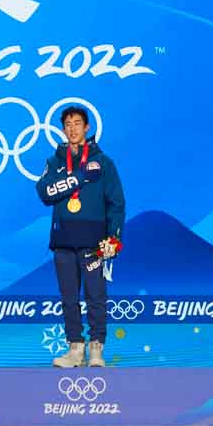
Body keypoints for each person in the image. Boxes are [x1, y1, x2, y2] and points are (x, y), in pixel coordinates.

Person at [35, 105, 125, 369]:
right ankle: (75, 347)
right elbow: (45, 193)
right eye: (68, 124)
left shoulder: (104, 162)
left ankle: (97, 348)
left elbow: (116, 204)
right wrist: (80, 177)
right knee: (68, 297)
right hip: (63, 240)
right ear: (63, 129)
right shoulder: (54, 162)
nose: (72, 129)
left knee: (96, 295)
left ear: (87, 127)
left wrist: (114, 237)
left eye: (77, 123)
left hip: (94, 243)